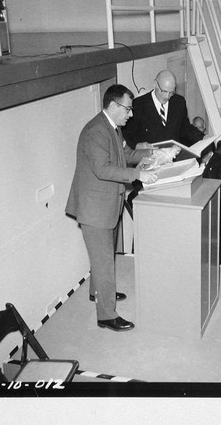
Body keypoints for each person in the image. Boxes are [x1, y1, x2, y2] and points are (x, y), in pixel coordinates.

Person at [66, 84, 158, 331]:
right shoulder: (96, 130)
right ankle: (106, 315)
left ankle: (98, 292)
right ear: (113, 105)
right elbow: (103, 169)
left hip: (107, 204)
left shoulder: (113, 128)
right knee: (105, 260)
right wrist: (138, 174)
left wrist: (147, 155)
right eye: (128, 109)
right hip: (95, 208)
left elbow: (125, 154)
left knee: (103, 256)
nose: (131, 114)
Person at [122, 70, 204, 149]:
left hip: (173, 158)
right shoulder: (138, 104)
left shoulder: (179, 102)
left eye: (171, 92)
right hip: (149, 158)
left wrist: (203, 137)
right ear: (156, 84)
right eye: (164, 91)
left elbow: (185, 128)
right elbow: (126, 134)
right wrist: (136, 146)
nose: (167, 96)